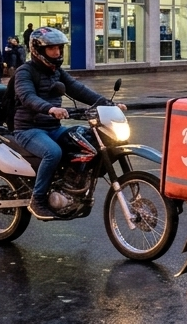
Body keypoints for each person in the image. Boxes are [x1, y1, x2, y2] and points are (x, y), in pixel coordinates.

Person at [13, 27, 115, 220]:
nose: (57, 52)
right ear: (38, 50)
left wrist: (108, 104)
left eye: (59, 48)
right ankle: (37, 199)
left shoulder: (57, 72)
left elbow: (78, 89)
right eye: (52, 48)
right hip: (28, 129)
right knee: (53, 152)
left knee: (88, 139)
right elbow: (27, 97)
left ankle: (70, 184)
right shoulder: (25, 71)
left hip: (53, 128)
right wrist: (50, 108)